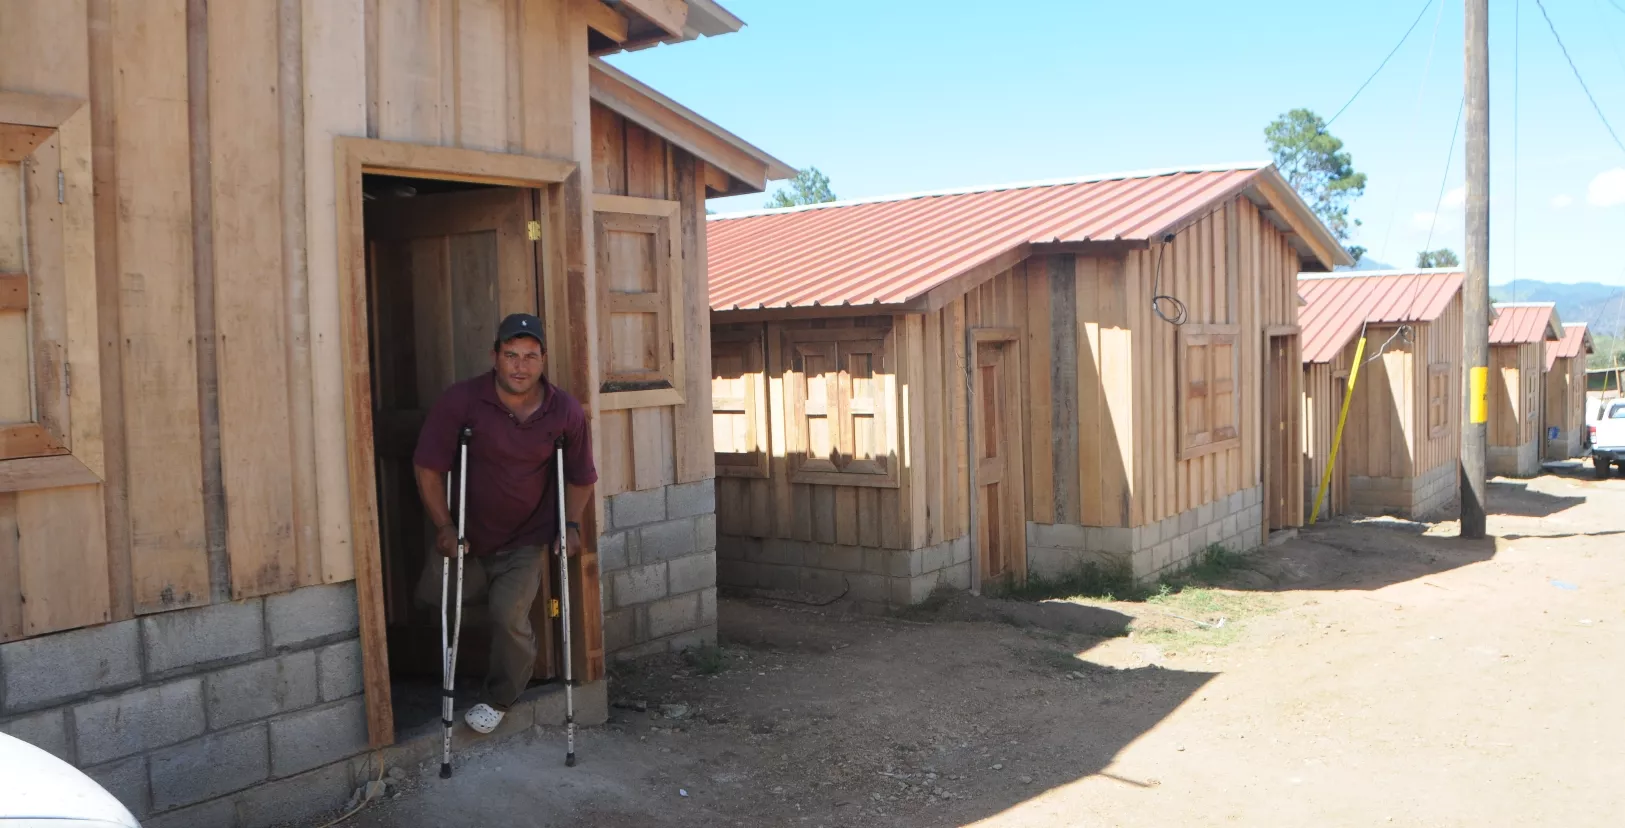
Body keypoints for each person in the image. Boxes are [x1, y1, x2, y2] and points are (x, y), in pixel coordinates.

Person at [413, 312, 597, 735]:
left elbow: (581, 477)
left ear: (543, 359)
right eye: (511, 355)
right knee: (435, 603)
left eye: (530, 356)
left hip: (527, 536)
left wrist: (568, 525)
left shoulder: (564, 411)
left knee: (507, 613)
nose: (520, 366)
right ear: (495, 356)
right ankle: (448, 669)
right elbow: (427, 467)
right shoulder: (461, 402)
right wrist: (443, 525)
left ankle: (500, 694)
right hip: (467, 535)